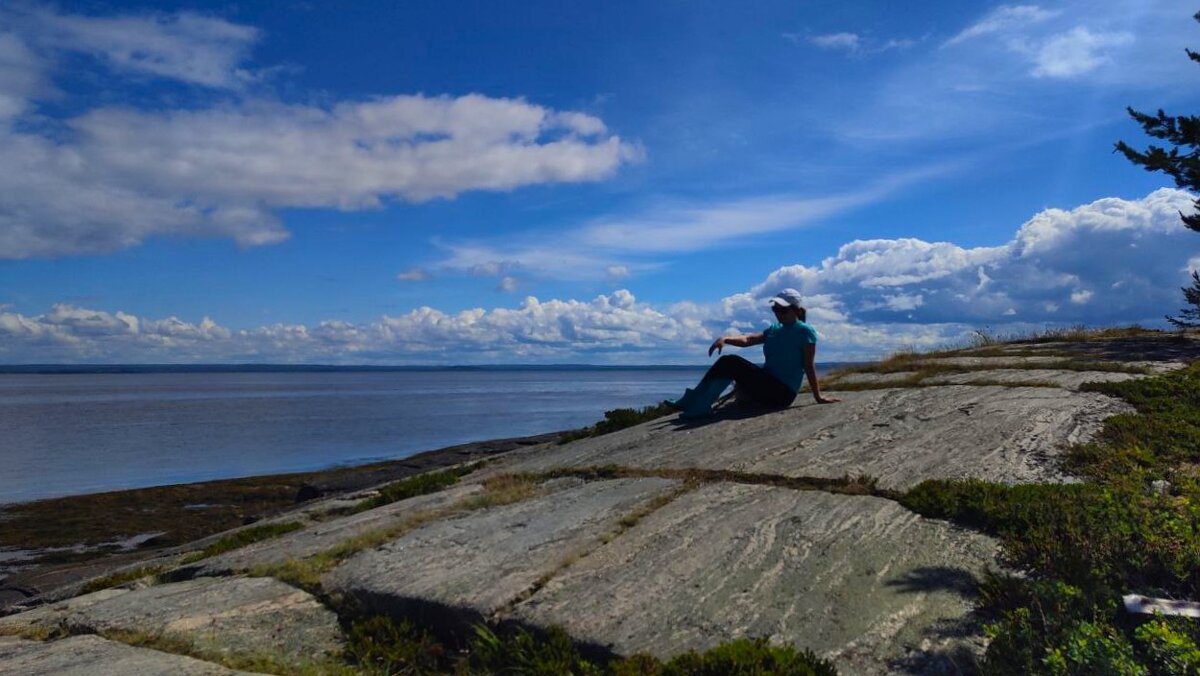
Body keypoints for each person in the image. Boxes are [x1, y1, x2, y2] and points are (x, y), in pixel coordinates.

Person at [669, 288, 839, 418]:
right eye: (776, 310)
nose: (778, 314)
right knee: (727, 361)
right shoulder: (774, 330)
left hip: (782, 393)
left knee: (731, 362)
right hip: (766, 385)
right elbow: (748, 340)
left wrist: (818, 397)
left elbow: (808, 365)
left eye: (783, 310)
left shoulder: (805, 331)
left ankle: (701, 404)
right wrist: (725, 339)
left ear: (796, 310)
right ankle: (693, 400)